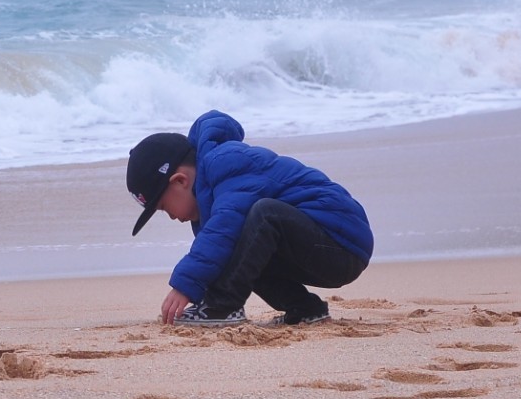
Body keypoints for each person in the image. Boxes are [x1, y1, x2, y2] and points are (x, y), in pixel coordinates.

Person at [127, 110, 373, 327]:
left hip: (341, 242)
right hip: (315, 249)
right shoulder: (210, 201)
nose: (170, 216)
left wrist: (185, 284)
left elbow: (223, 231)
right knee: (242, 244)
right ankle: (305, 309)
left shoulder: (225, 163)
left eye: (163, 207)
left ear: (180, 181)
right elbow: (223, 255)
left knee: (262, 215)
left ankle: (223, 307)